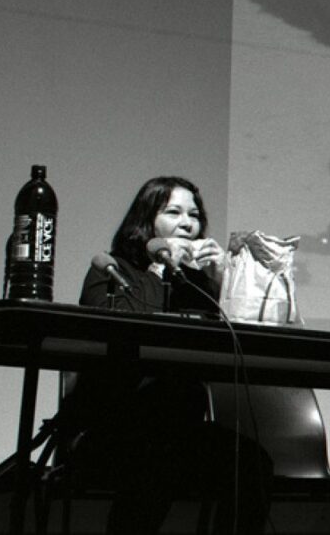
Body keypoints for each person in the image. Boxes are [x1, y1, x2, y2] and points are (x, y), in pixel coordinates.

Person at [61, 176, 273, 535]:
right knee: (159, 454)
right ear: (146, 221)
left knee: (251, 463)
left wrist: (223, 278)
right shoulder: (110, 269)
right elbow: (119, 327)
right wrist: (158, 267)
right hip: (110, 429)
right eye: (174, 212)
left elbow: (250, 329)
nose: (187, 223)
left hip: (180, 431)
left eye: (194, 214)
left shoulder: (198, 283)